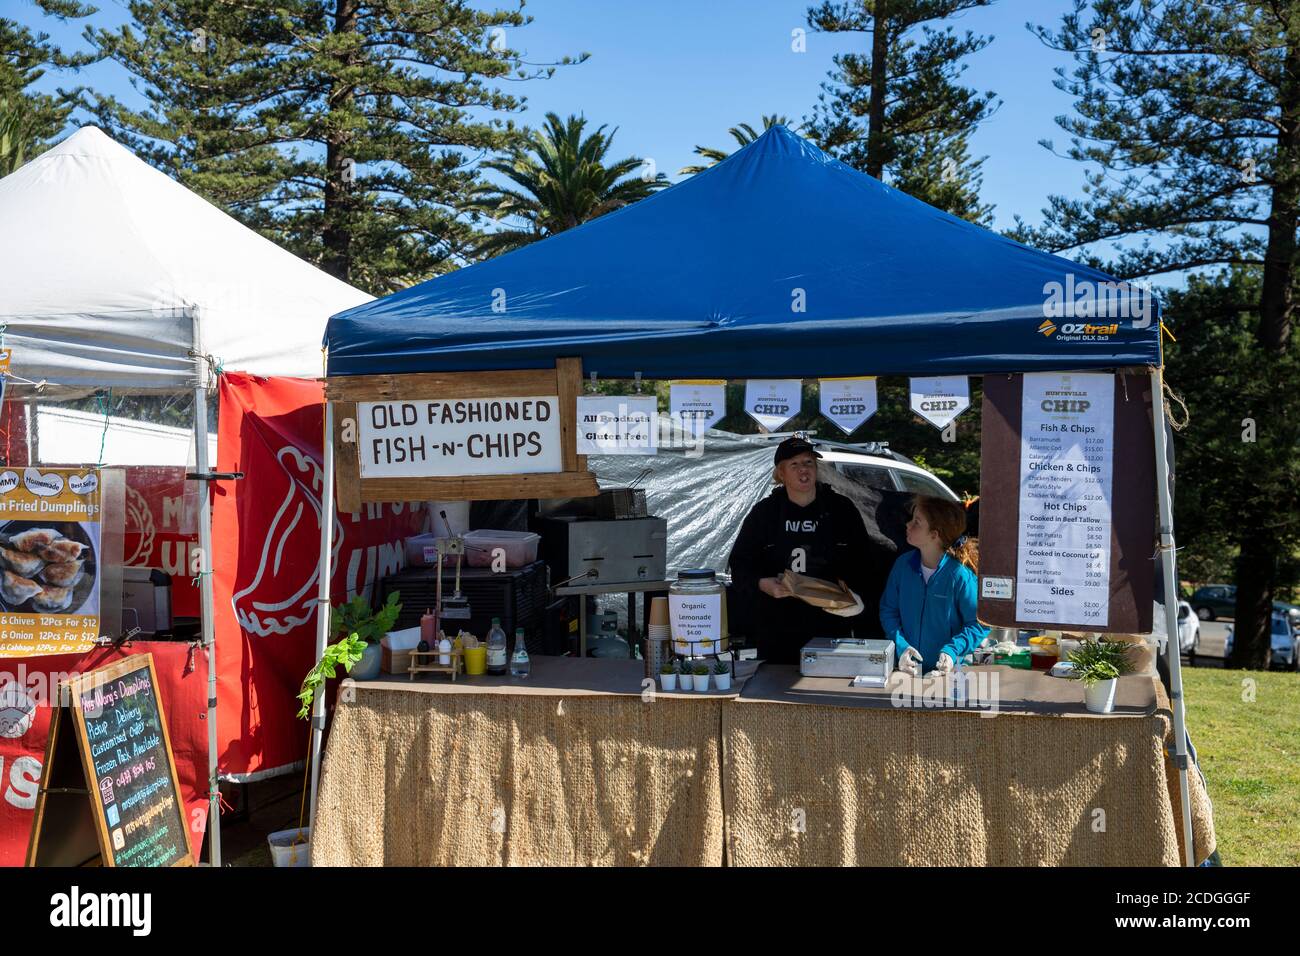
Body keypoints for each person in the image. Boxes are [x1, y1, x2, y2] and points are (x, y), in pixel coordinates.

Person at [727, 436, 873, 664]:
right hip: (778, 627)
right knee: (775, 692)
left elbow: (865, 562)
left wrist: (851, 594)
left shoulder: (841, 509)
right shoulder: (765, 513)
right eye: (794, 464)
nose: (803, 469)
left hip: (831, 626)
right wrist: (762, 584)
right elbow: (740, 565)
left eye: (808, 462)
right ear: (781, 474)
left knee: (827, 692)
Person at [881, 494, 988, 677]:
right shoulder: (902, 566)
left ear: (934, 535)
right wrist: (901, 647)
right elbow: (888, 611)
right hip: (906, 671)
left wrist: (951, 651)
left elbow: (979, 624)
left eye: (917, 522)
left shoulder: (959, 576)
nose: (908, 525)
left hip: (947, 674)